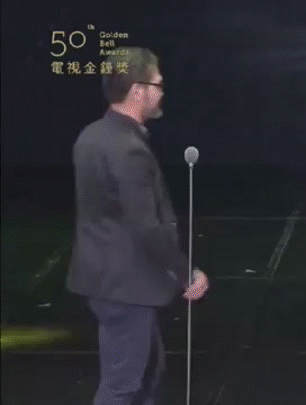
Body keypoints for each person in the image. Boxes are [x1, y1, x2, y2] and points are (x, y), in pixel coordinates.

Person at [66, 47, 209, 405]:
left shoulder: (91, 136)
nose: (162, 92)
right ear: (138, 90)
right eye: (158, 85)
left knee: (145, 373)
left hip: (105, 279)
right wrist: (186, 273)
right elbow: (146, 226)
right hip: (125, 286)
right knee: (123, 385)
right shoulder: (127, 148)